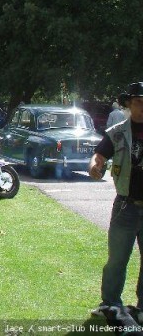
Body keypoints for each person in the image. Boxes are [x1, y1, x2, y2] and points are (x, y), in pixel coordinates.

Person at [89, 82, 143, 318]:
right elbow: (99, 155)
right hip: (126, 206)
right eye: (140, 102)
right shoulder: (118, 132)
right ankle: (109, 303)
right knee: (117, 259)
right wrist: (95, 165)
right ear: (129, 104)